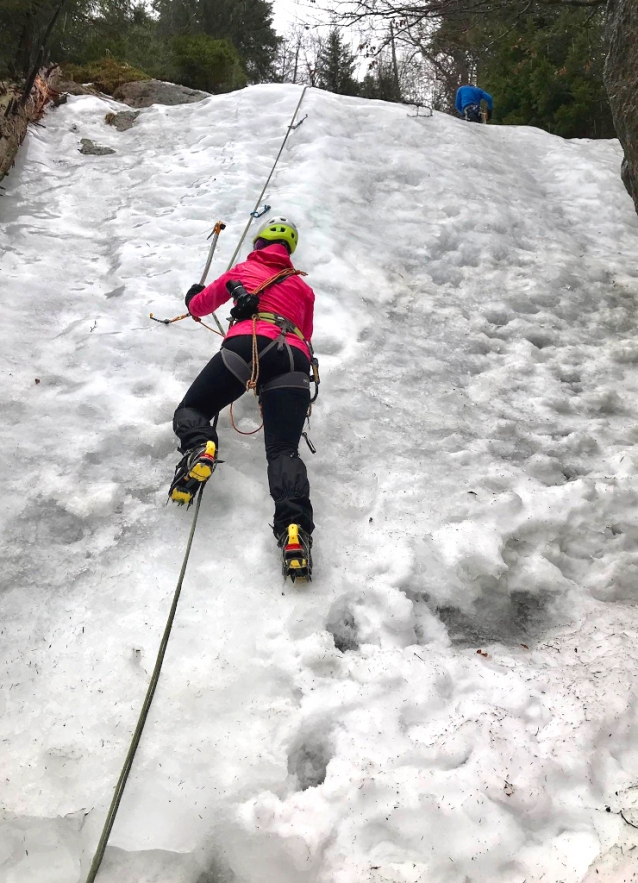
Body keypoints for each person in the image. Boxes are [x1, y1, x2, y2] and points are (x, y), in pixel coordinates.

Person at [170, 216, 316, 580]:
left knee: (194, 409)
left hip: (246, 342)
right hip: (294, 356)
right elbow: (306, 331)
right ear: (289, 251)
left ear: (258, 243)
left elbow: (201, 307)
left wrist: (192, 297)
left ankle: (201, 445)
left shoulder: (244, 268)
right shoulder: (302, 287)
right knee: (283, 450)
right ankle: (294, 529)